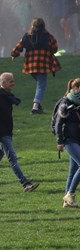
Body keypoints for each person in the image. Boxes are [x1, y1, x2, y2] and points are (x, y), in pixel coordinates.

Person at [0, 73, 39, 192]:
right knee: (13, 159)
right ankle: (25, 184)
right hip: (2, 134)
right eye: (10, 81)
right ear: (2, 83)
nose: (13, 83)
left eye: (13, 81)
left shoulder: (6, 96)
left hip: (6, 133)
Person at [11, 17, 61, 114]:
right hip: (43, 64)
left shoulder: (27, 36)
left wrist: (14, 54)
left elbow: (19, 47)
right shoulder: (49, 36)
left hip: (30, 65)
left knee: (39, 84)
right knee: (41, 85)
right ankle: (35, 105)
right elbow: (55, 49)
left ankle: (38, 106)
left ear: (33, 26)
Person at [55, 78, 80, 207]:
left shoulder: (78, 102)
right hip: (69, 140)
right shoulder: (65, 103)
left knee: (73, 171)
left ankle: (67, 201)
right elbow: (58, 123)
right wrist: (59, 141)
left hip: (78, 139)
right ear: (75, 88)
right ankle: (70, 193)